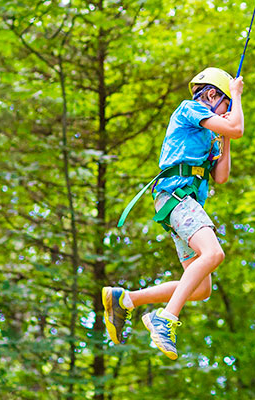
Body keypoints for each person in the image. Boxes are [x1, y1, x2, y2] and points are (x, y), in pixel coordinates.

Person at [103, 67, 244, 360]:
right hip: (177, 198)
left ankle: (127, 299)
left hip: (184, 203)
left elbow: (221, 176)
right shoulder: (189, 108)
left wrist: (224, 138)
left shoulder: (208, 134)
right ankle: (165, 318)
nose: (227, 112)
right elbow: (238, 127)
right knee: (214, 254)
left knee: (201, 288)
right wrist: (238, 98)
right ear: (211, 94)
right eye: (225, 104)